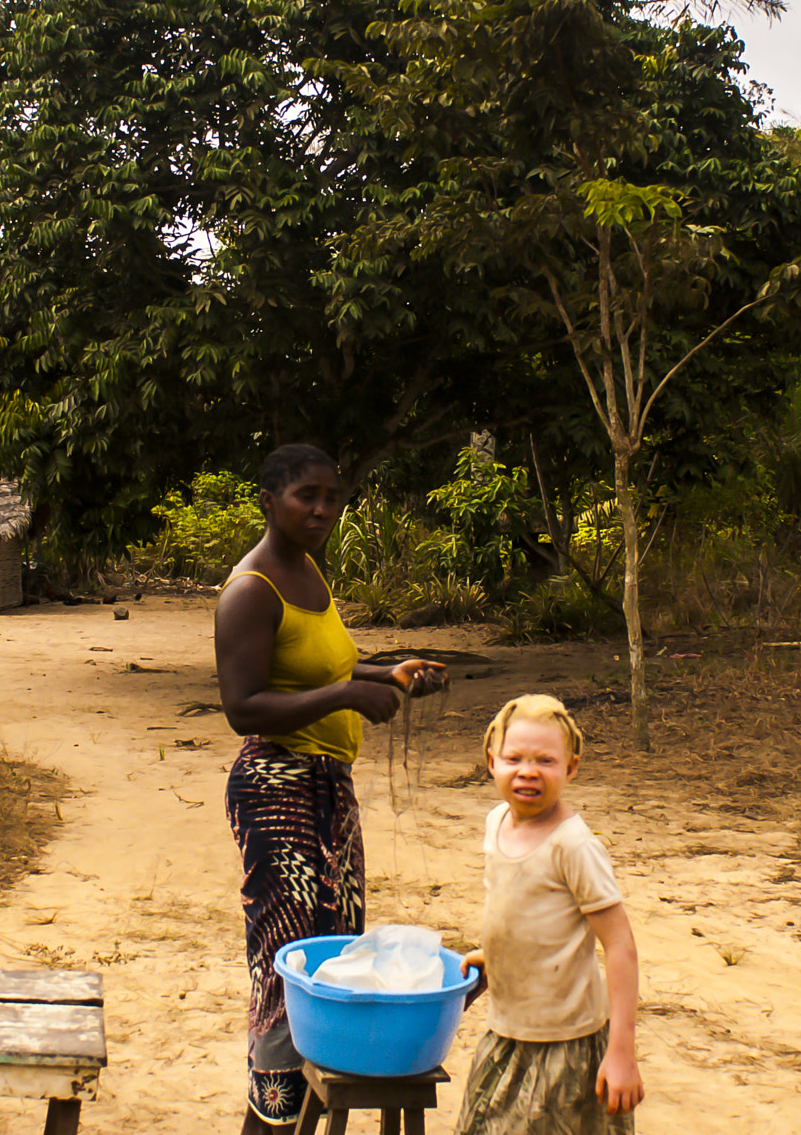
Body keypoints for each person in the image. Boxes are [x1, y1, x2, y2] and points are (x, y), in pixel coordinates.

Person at [216, 443, 447, 1131]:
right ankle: (271, 1121)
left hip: (326, 791)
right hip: (277, 788)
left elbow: (326, 667)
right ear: (269, 501)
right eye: (305, 496)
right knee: (290, 970)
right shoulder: (251, 591)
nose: (321, 509)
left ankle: (315, 1118)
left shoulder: (307, 572)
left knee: (336, 963)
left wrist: (388, 673)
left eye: (331, 498)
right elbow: (244, 707)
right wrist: (347, 694)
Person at [456, 695, 643, 1135]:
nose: (528, 771)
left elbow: (620, 945)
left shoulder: (574, 847)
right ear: (491, 762)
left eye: (545, 760)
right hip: (506, 1036)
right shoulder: (496, 822)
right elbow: (523, 909)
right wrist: (497, 954)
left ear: (571, 768)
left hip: (566, 1046)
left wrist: (621, 1052)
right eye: (514, 758)